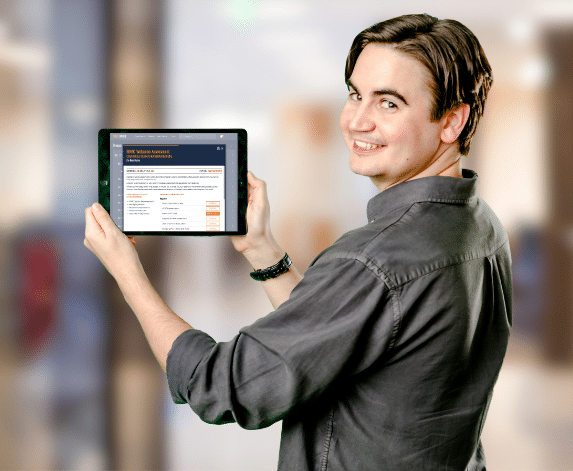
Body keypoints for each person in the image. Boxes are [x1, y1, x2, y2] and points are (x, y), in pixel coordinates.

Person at [85, 13, 512, 471]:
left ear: (452, 122)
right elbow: (339, 335)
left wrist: (128, 273)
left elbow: (221, 387)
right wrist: (261, 249)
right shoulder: (480, 227)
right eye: (355, 94)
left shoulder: (373, 260)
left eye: (388, 104)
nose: (355, 122)